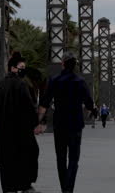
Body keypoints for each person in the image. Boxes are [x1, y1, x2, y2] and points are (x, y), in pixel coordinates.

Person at [38, 52, 96, 193]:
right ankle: (69, 189)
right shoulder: (80, 81)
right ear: (75, 65)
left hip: (59, 123)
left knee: (61, 158)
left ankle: (64, 188)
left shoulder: (54, 80)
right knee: (74, 159)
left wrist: (38, 120)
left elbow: (44, 102)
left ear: (62, 63)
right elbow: (89, 103)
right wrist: (90, 112)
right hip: (75, 124)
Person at [0, 55, 41, 193]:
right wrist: (35, 123)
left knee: (6, 160)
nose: (23, 70)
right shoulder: (21, 84)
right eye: (21, 68)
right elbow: (28, 107)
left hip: (3, 130)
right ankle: (24, 185)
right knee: (27, 155)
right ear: (12, 68)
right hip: (20, 130)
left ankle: (8, 187)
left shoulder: (0, 84)